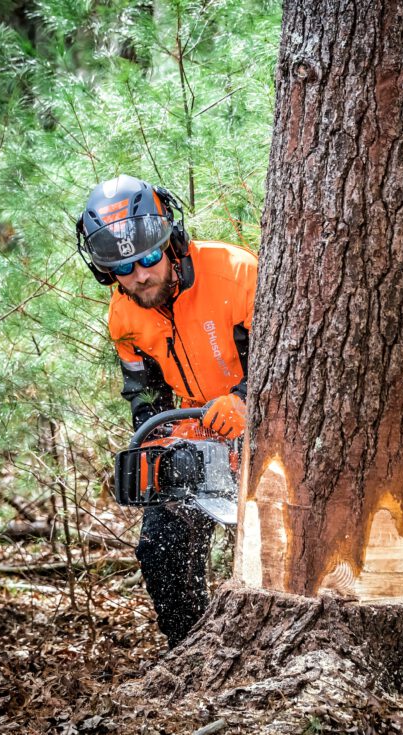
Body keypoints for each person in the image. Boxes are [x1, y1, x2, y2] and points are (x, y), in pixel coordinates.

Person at [76, 174, 257, 646]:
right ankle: (189, 648)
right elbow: (144, 395)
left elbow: (290, 358)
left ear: (171, 242)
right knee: (160, 546)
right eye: (123, 267)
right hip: (199, 428)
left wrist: (247, 398)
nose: (140, 275)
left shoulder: (237, 274)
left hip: (269, 421)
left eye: (149, 258)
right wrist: (155, 444)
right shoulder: (124, 314)